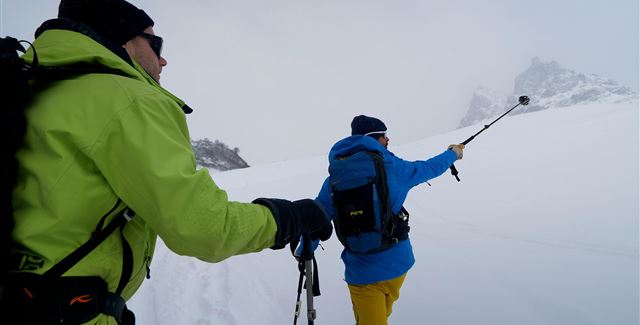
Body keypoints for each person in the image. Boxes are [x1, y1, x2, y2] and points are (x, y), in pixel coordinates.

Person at [2, 0, 332, 323]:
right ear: (124, 41)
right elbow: (202, 227)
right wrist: (289, 218)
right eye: (155, 43)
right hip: (65, 309)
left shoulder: (33, 84)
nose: (163, 60)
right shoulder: (126, 99)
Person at [314, 115, 464, 325]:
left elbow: (317, 216)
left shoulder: (334, 179)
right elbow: (429, 167)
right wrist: (453, 154)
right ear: (373, 138)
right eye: (384, 135)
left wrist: (305, 250)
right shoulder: (394, 168)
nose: (388, 140)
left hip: (363, 274)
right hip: (398, 265)